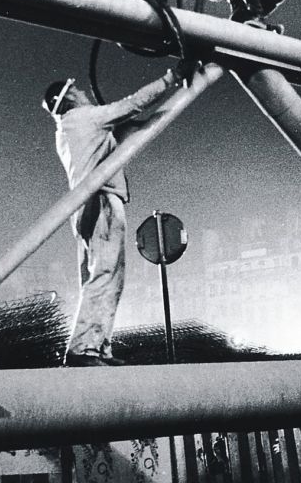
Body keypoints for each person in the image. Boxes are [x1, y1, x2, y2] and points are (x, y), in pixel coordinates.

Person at [42, 63, 194, 366]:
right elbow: (131, 105)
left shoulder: (72, 130)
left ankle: (97, 347)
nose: (85, 92)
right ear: (70, 96)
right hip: (102, 204)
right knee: (107, 275)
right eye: (79, 90)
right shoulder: (83, 117)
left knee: (101, 276)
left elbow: (130, 125)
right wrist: (172, 79)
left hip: (86, 210)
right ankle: (85, 348)